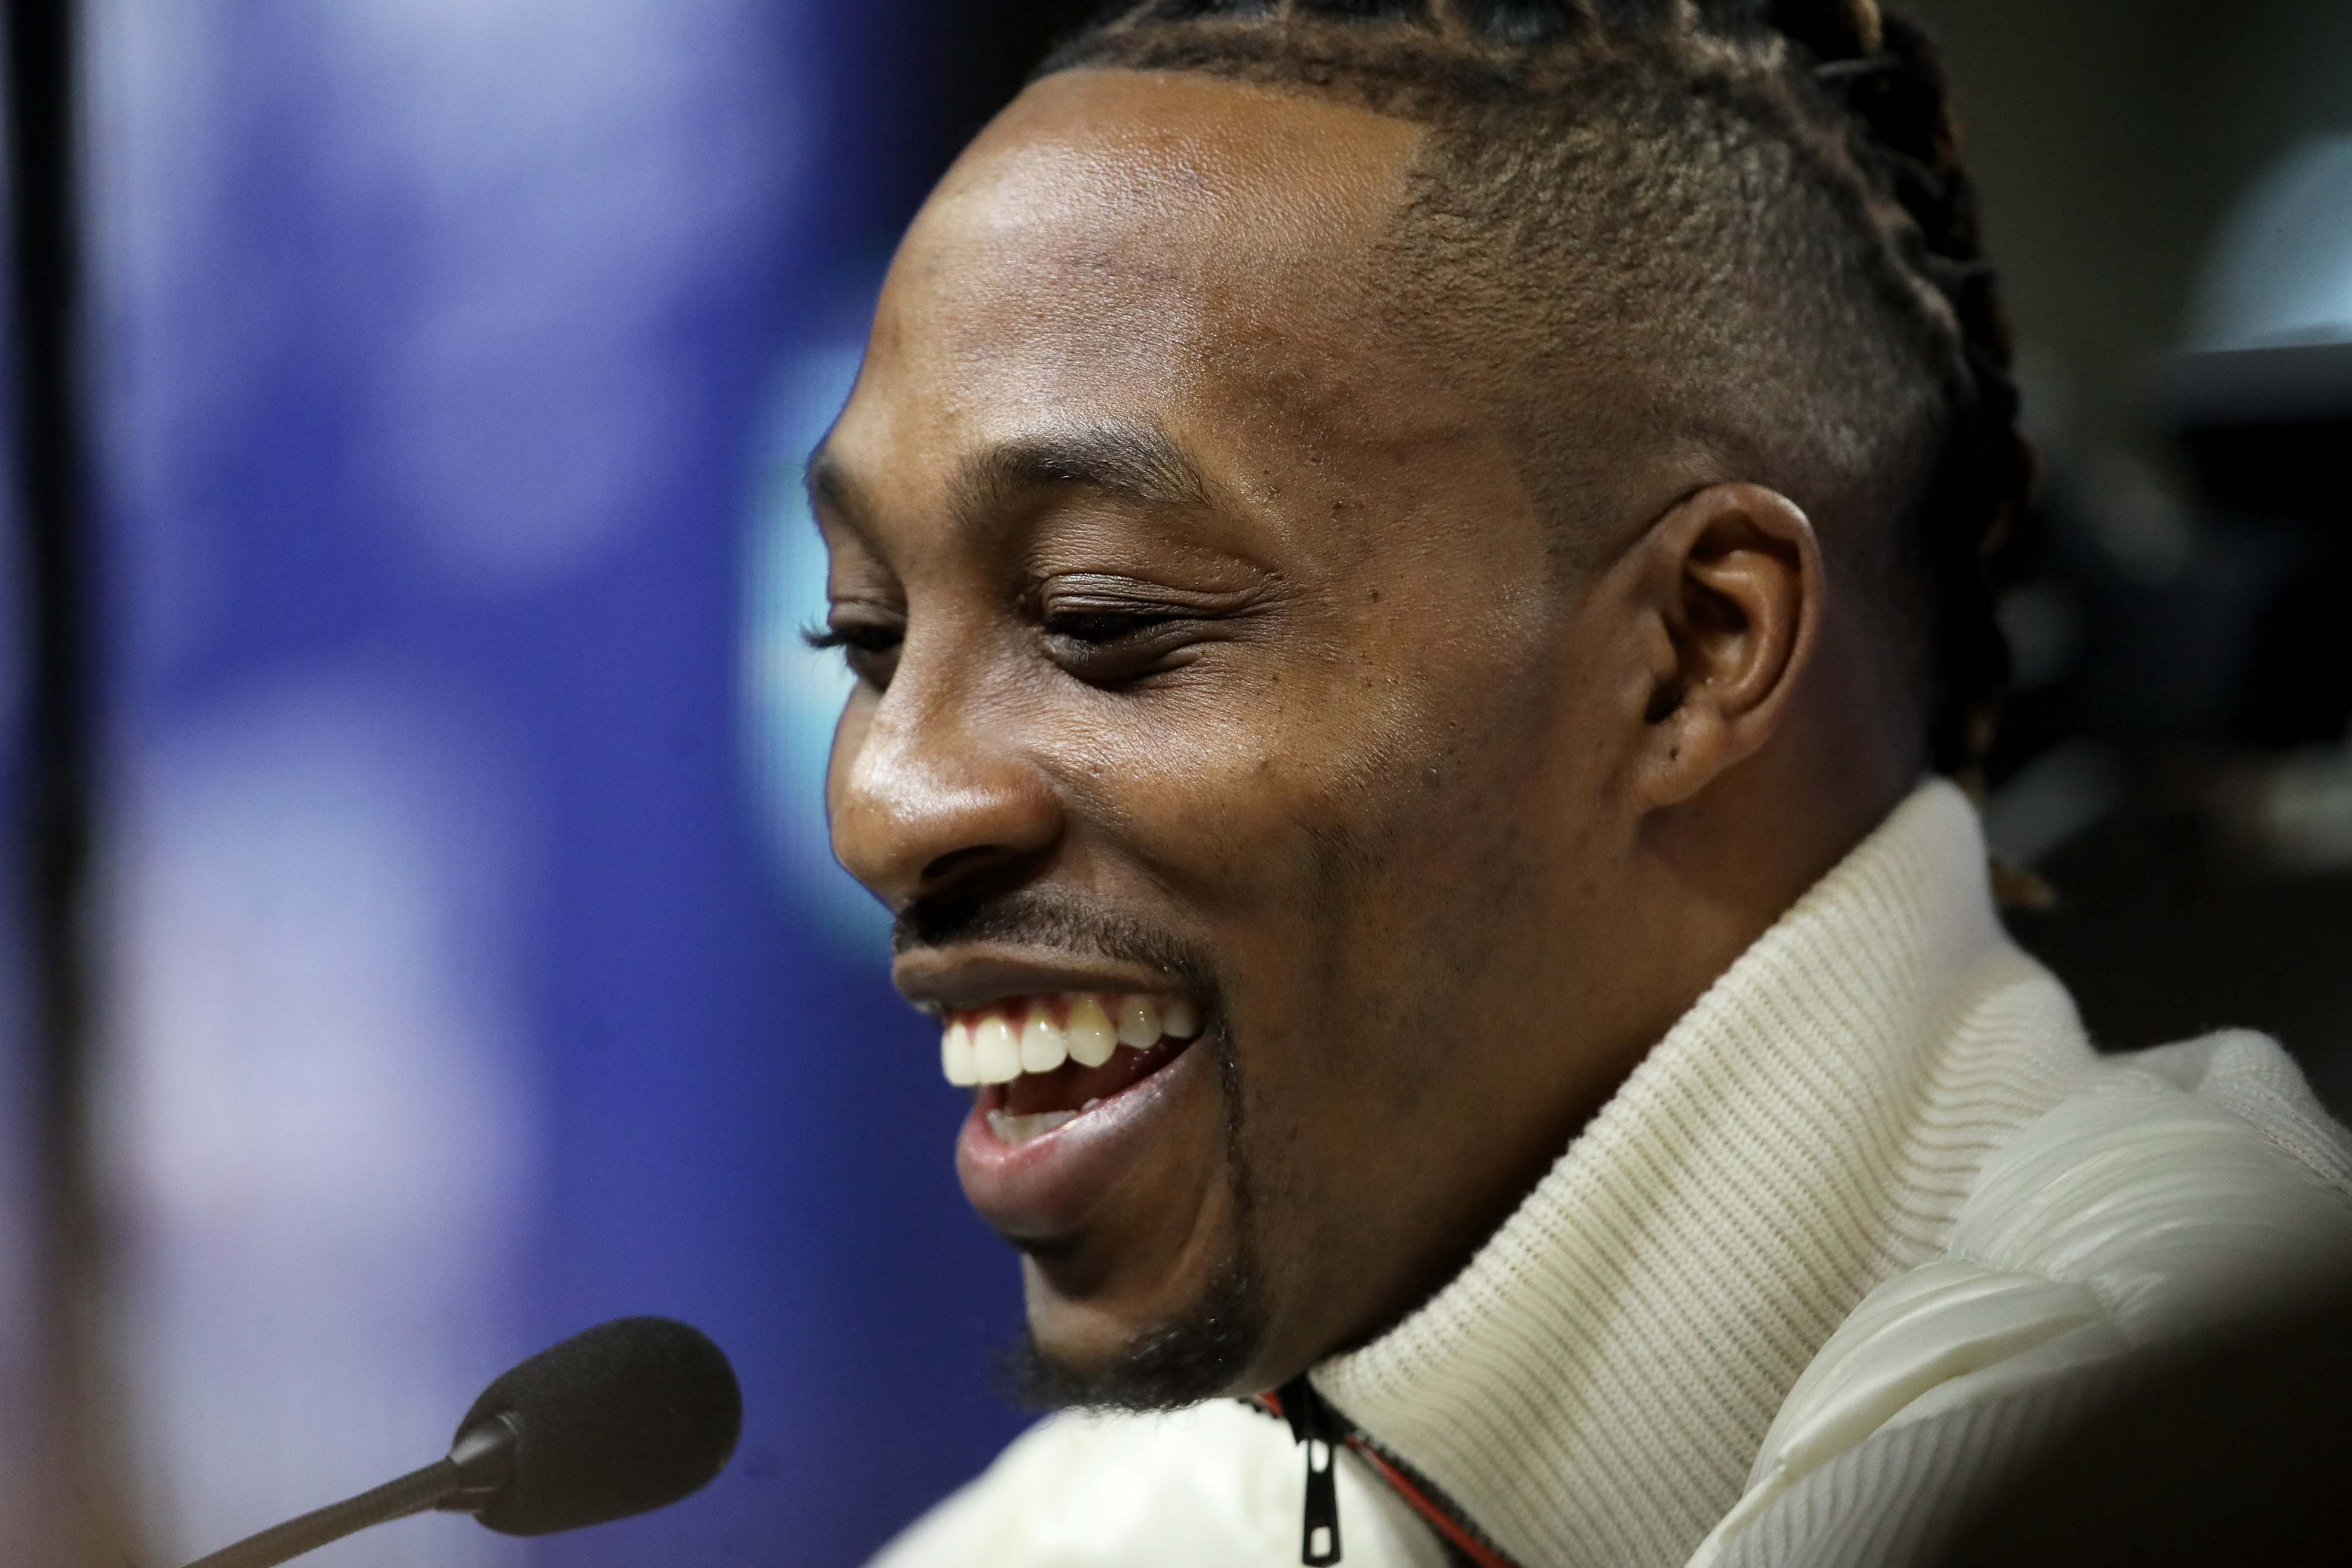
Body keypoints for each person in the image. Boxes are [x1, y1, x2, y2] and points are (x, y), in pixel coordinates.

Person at [805, 2, 2352, 1563]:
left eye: (1102, 619)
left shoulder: (2177, 1433)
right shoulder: (1183, 1501)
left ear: (1694, 652)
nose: (887, 800)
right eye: (863, 637)